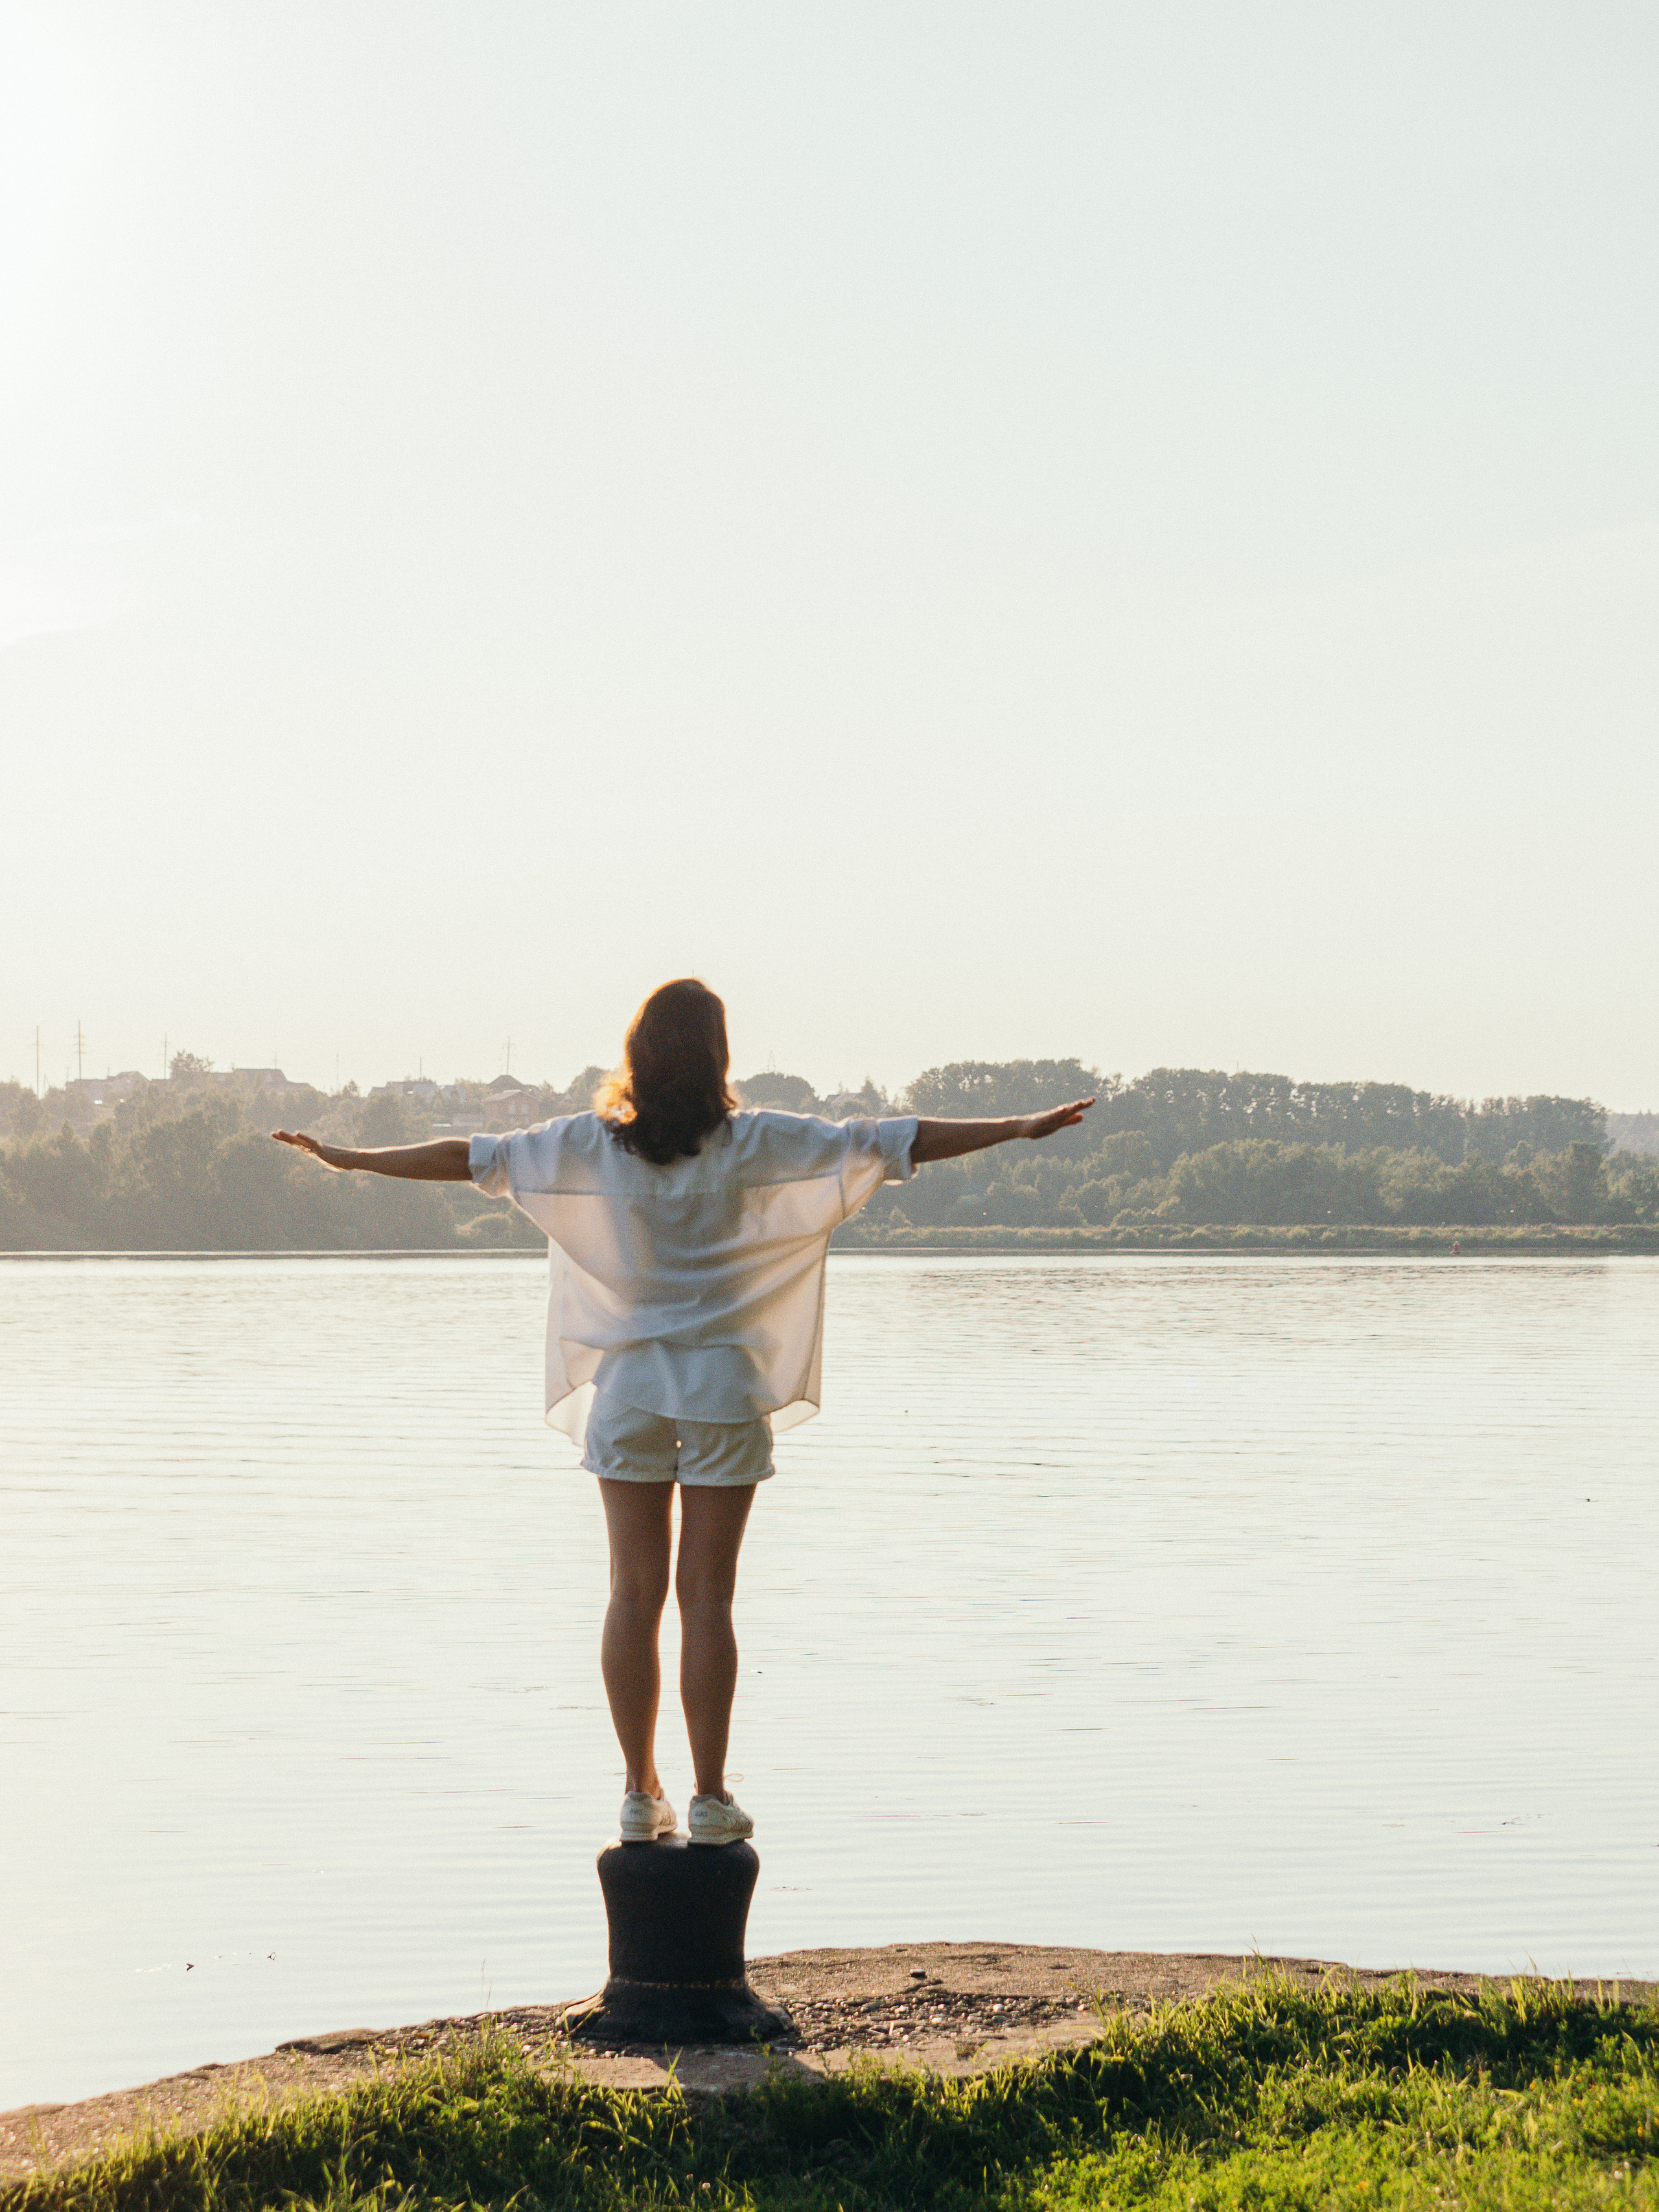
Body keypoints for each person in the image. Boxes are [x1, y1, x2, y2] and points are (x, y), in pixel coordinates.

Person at [273, 980, 1093, 1846]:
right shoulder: (757, 1141)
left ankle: (637, 1792)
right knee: (708, 1598)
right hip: (723, 1394)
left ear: (638, 1055)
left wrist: (355, 1159)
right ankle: (705, 1796)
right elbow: (893, 1140)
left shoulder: (589, 1146)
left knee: (632, 1591)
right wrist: (1013, 1127)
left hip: (626, 1392)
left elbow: (468, 1156)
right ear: (717, 1055)